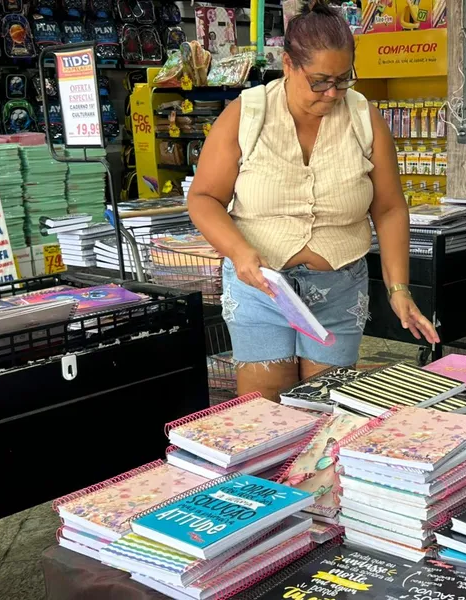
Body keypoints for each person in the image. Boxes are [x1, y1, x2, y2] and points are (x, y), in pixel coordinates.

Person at [188, 0, 439, 400]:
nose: (333, 93)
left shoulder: (363, 118)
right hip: (262, 289)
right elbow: (203, 198)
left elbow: (389, 208)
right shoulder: (246, 115)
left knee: (325, 408)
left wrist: (399, 290)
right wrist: (239, 252)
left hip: (339, 287)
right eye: (320, 81)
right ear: (288, 64)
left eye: (344, 80)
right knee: (264, 415)